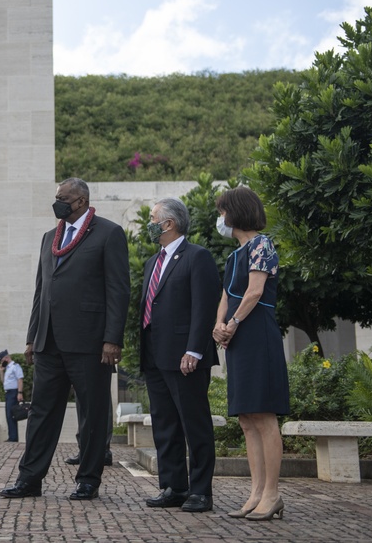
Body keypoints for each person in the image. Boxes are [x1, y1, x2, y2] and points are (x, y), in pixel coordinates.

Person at [0, 178, 130, 501]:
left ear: (82, 201)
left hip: (89, 343)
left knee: (92, 413)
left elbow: (118, 291)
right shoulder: (49, 238)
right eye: (56, 197)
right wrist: (31, 337)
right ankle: (30, 478)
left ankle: (88, 479)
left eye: (64, 198)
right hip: (49, 342)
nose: (57, 203)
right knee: (41, 413)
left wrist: (112, 339)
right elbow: (40, 292)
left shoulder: (108, 233)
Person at [211, 187, 290, 521]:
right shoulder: (233, 256)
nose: (221, 219)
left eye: (223, 211)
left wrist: (231, 324)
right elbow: (227, 295)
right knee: (246, 418)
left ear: (236, 212)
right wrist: (218, 325)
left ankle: (272, 494)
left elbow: (255, 292)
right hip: (239, 337)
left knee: (264, 414)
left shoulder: (263, 244)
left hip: (258, 334)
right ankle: (255, 492)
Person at [139, 197, 221, 513]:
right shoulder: (151, 262)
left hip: (185, 357)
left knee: (194, 424)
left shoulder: (197, 257)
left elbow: (204, 307)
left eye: (152, 217)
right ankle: (174, 486)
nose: (149, 222)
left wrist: (194, 350)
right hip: (155, 356)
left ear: (169, 223)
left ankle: (201, 491)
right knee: (165, 425)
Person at [0, 350, 24, 442]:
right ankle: (12, 436)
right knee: (9, 415)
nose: (1, 362)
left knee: (11, 415)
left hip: (14, 392)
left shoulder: (15, 366)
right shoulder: (8, 368)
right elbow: (3, 382)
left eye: (1, 360)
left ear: (6, 358)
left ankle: (13, 437)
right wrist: (1, 371)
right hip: (8, 393)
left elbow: (20, 379)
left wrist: (20, 393)